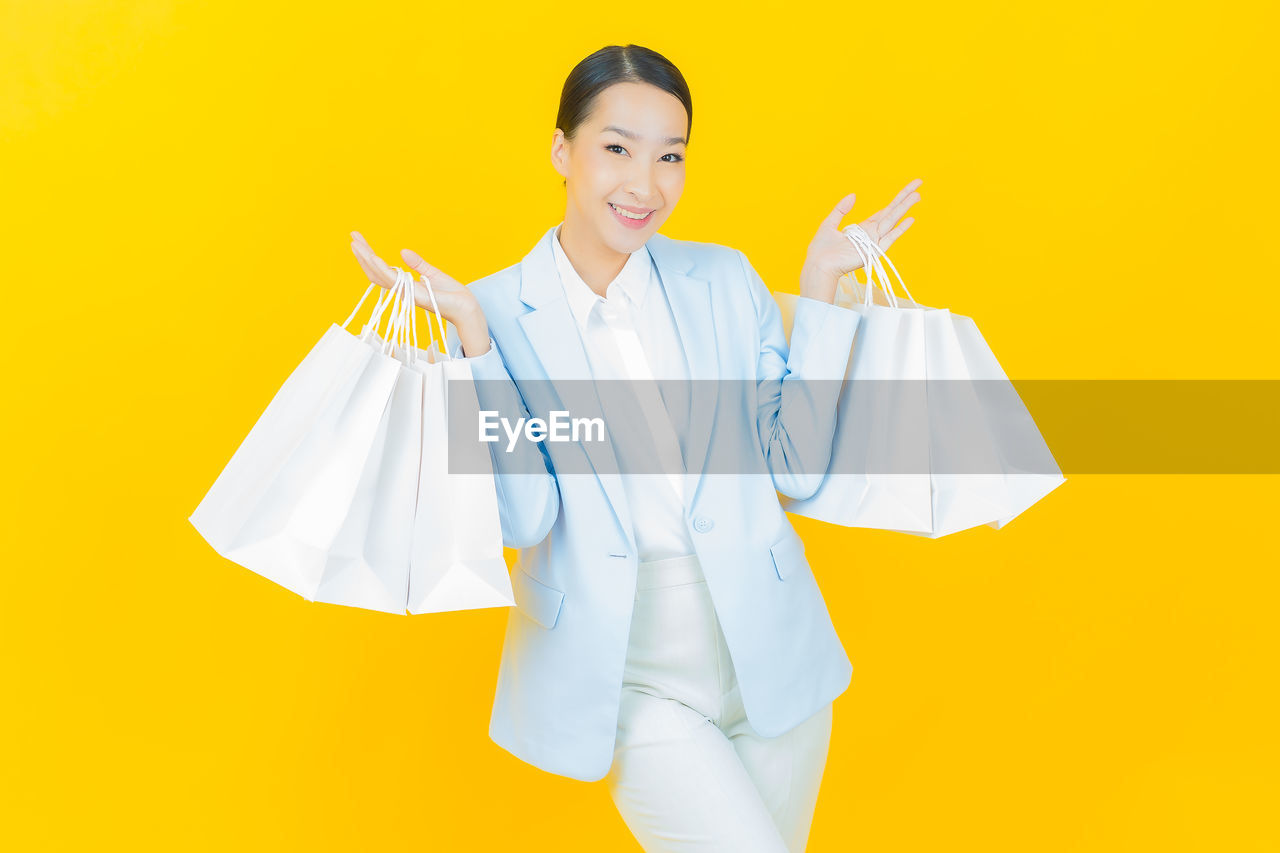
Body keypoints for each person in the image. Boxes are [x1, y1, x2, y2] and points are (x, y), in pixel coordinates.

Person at [350, 43, 920, 853]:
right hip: (627, 675)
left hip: (773, 656)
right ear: (562, 151)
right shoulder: (493, 313)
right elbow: (525, 514)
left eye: (670, 157)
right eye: (617, 148)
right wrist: (474, 348)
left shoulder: (725, 282)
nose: (644, 185)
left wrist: (821, 292)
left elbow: (794, 464)